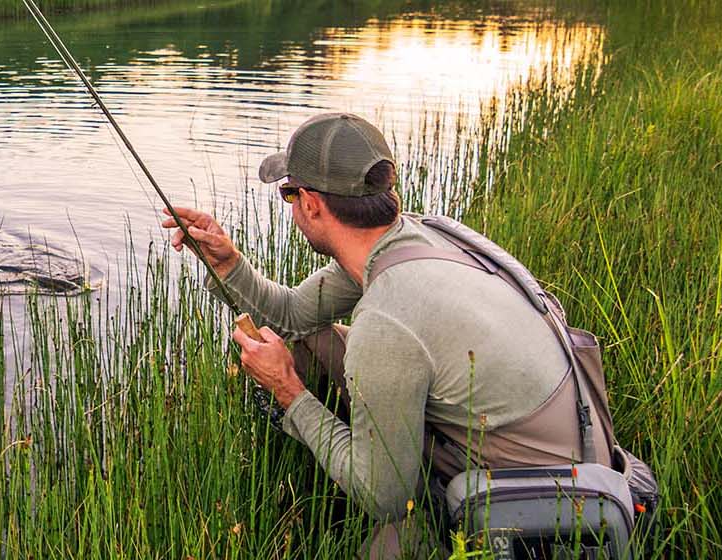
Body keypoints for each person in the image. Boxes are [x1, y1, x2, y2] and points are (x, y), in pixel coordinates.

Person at [162, 113, 614, 558]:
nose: (292, 206)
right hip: (562, 437)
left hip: (538, 495)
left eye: (288, 193)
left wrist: (289, 392)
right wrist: (225, 263)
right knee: (305, 346)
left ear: (312, 203)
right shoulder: (415, 235)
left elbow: (385, 499)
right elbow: (294, 318)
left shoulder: (387, 322)